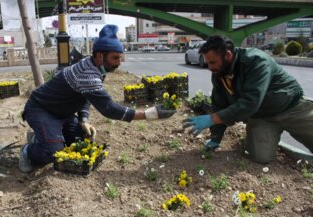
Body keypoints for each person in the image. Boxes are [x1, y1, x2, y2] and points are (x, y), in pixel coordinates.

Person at [19, 24, 176, 173]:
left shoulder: (94, 67)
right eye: (115, 58)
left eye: (120, 58)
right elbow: (109, 109)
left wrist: (84, 119)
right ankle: (28, 151)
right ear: (100, 55)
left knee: (80, 142)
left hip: (61, 112)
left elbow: (85, 97)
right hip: (41, 109)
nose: (119, 63)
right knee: (55, 152)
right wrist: (149, 114)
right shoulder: (88, 74)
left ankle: (43, 136)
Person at [182, 35, 313, 164]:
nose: (210, 67)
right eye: (208, 62)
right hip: (263, 116)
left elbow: (251, 102)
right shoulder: (219, 73)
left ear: (227, 55)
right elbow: (219, 105)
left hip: (291, 108)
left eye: (212, 62)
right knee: (260, 157)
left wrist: (211, 119)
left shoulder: (256, 61)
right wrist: (215, 138)